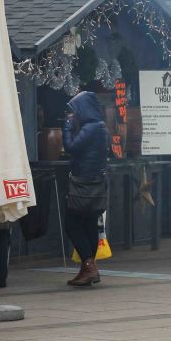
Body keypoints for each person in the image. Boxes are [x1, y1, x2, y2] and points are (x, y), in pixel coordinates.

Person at [62, 91, 109, 288]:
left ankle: (89, 265)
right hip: (96, 183)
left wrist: (67, 127)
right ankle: (88, 268)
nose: (73, 115)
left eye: (74, 111)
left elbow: (70, 146)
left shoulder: (91, 127)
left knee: (72, 223)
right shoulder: (101, 126)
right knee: (89, 223)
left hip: (83, 183)